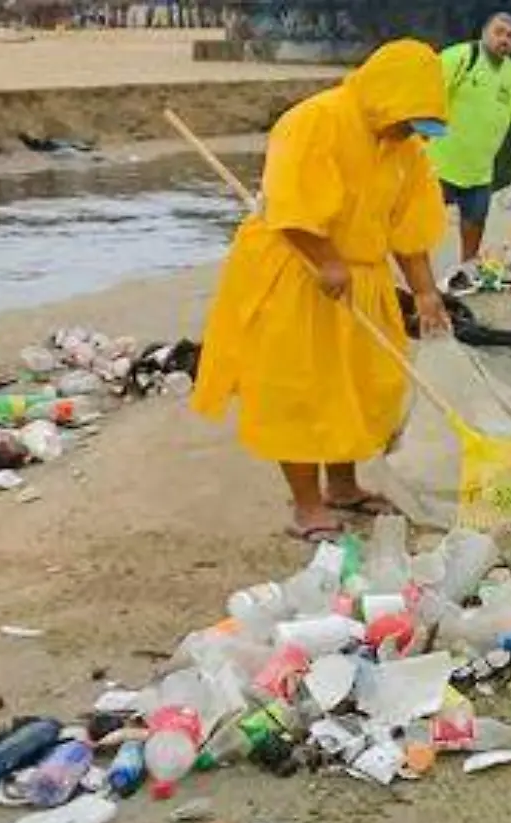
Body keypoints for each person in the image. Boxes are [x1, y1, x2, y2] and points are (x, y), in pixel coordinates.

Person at [191, 40, 455, 544]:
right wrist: (327, 260)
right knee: (301, 391)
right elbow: (290, 201)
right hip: (298, 270)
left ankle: (343, 486)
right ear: (386, 97)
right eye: (406, 121)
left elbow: (410, 228)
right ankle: (307, 507)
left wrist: (424, 293)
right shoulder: (315, 120)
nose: (409, 133)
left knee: (358, 384)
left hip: (362, 275)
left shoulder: (407, 149)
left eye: (419, 125)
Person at [428, 12, 511, 278]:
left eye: (510, 36)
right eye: (499, 32)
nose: (504, 40)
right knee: (419, 223)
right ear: (484, 32)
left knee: (475, 220)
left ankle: (467, 270)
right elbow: (427, 92)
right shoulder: (460, 58)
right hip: (438, 163)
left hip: (479, 169)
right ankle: (418, 276)